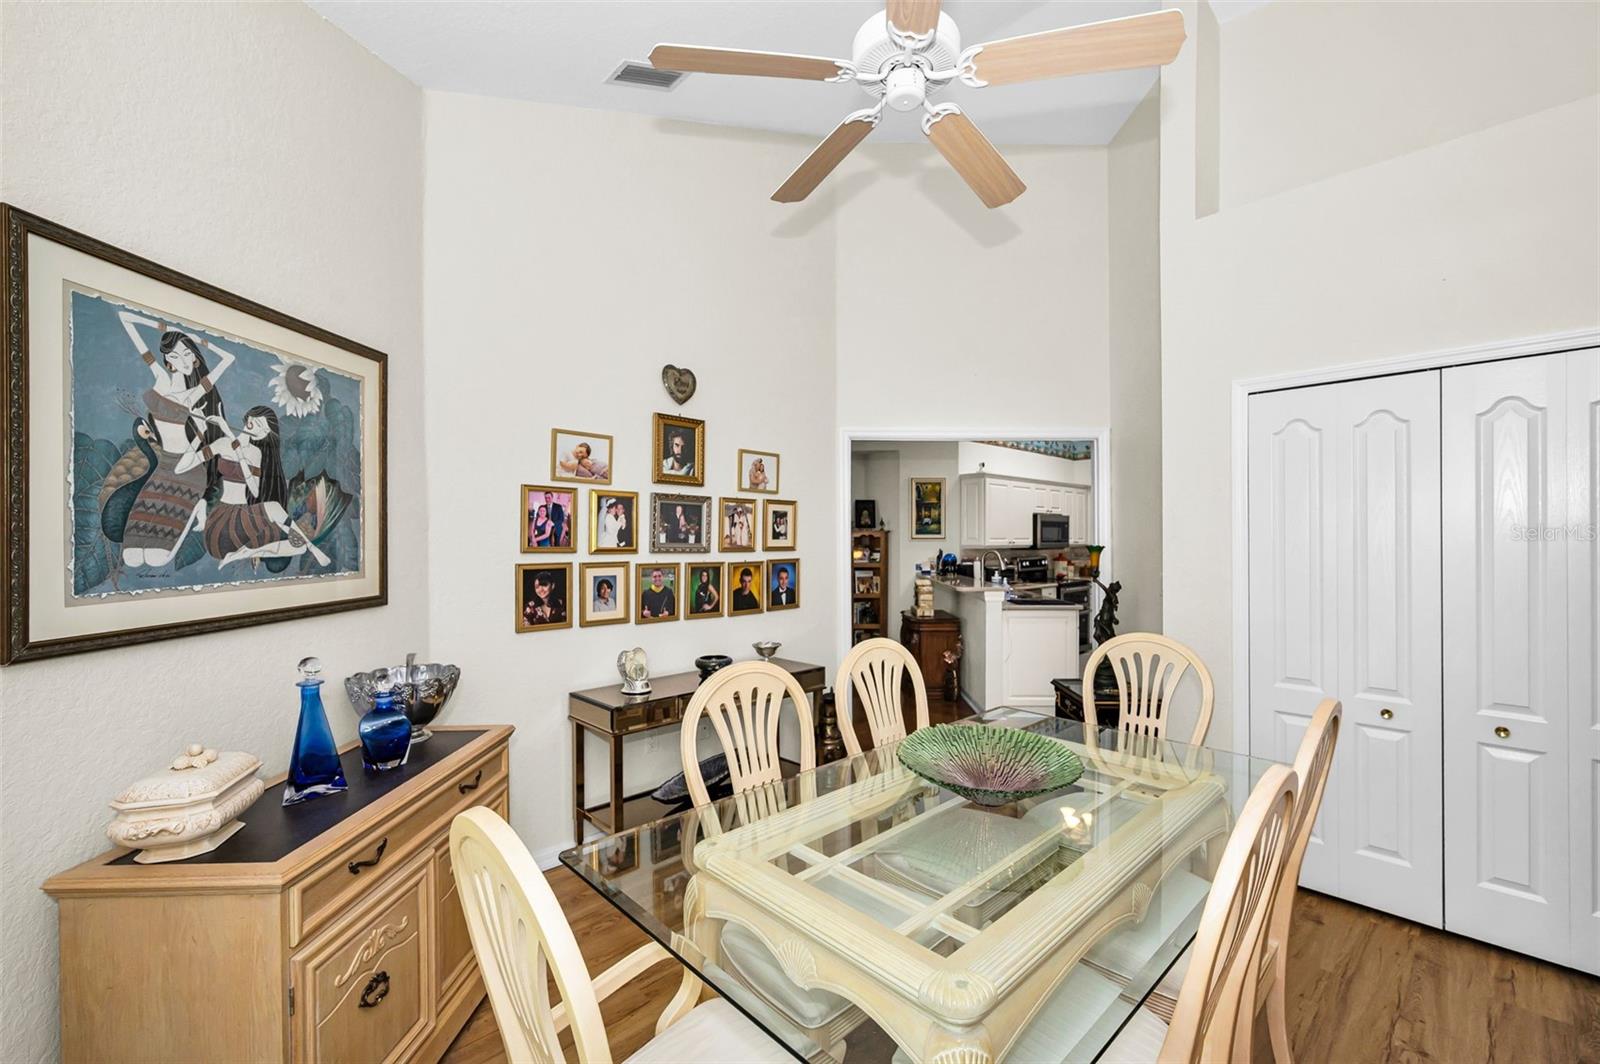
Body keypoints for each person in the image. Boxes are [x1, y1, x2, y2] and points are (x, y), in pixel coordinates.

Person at [116, 312, 237, 567]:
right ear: (168, 361)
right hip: (163, 466)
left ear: (194, 359)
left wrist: (202, 342)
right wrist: (162, 326)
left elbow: (229, 358)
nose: (181, 359)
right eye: (174, 354)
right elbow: (126, 319)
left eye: (187, 353)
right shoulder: (160, 378)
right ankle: (198, 509)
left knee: (157, 558)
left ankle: (197, 507)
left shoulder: (196, 393)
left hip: (189, 469)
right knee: (132, 556)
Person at [200, 406, 330, 569]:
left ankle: (245, 552)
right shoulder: (225, 444)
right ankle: (313, 548)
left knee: (299, 547)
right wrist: (228, 436)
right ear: (250, 421)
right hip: (222, 523)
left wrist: (240, 453)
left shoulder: (256, 454)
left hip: (241, 521)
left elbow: (254, 490)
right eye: (261, 425)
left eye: (266, 430)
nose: (263, 431)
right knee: (275, 508)